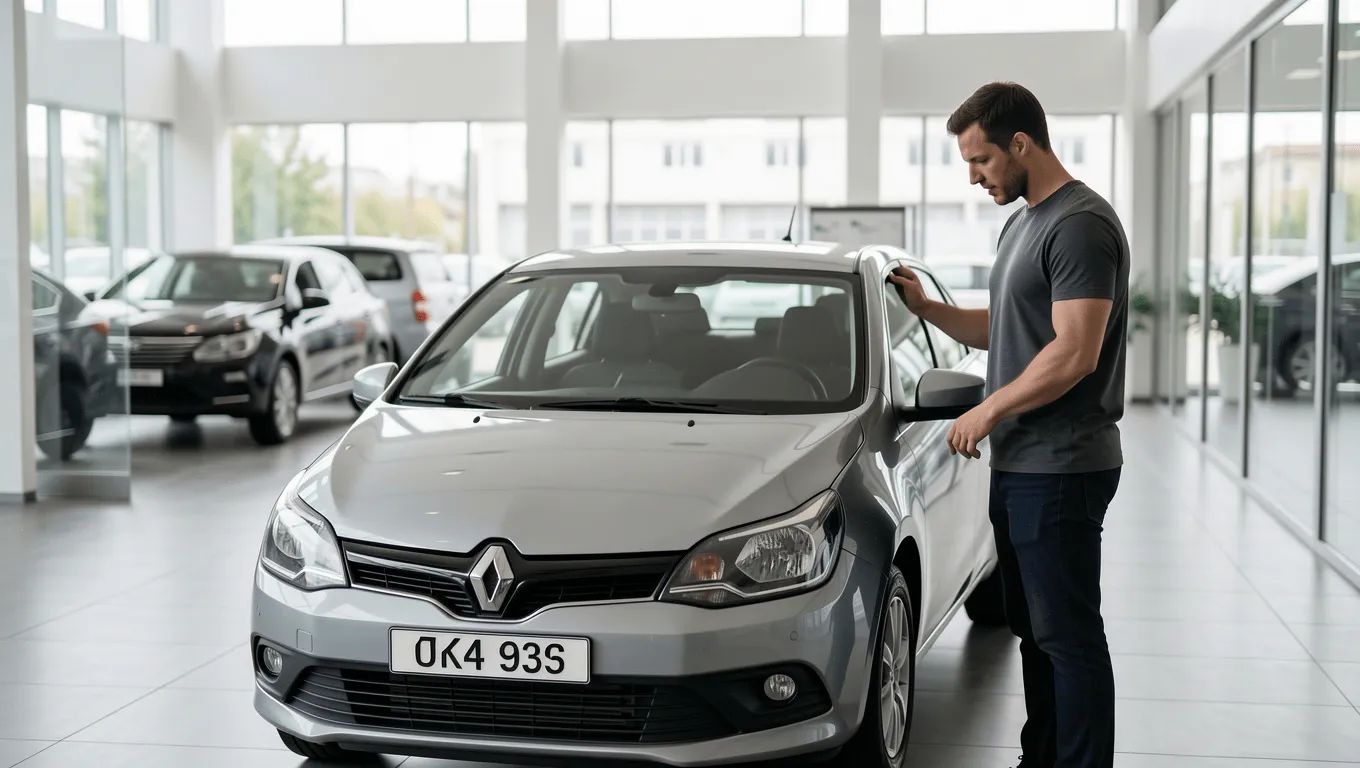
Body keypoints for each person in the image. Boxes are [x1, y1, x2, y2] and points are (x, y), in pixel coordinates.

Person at [890, 82, 1129, 768]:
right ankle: (1043, 756)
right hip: (1023, 464)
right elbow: (1010, 329)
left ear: (1021, 144)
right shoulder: (1023, 222)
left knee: (1068, 636)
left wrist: (989, 408)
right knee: (1034, 632)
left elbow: (1074, 351)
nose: (974, 178)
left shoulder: (1079, 224)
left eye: (982, 161)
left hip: (1063, 464)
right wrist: (929, 308)